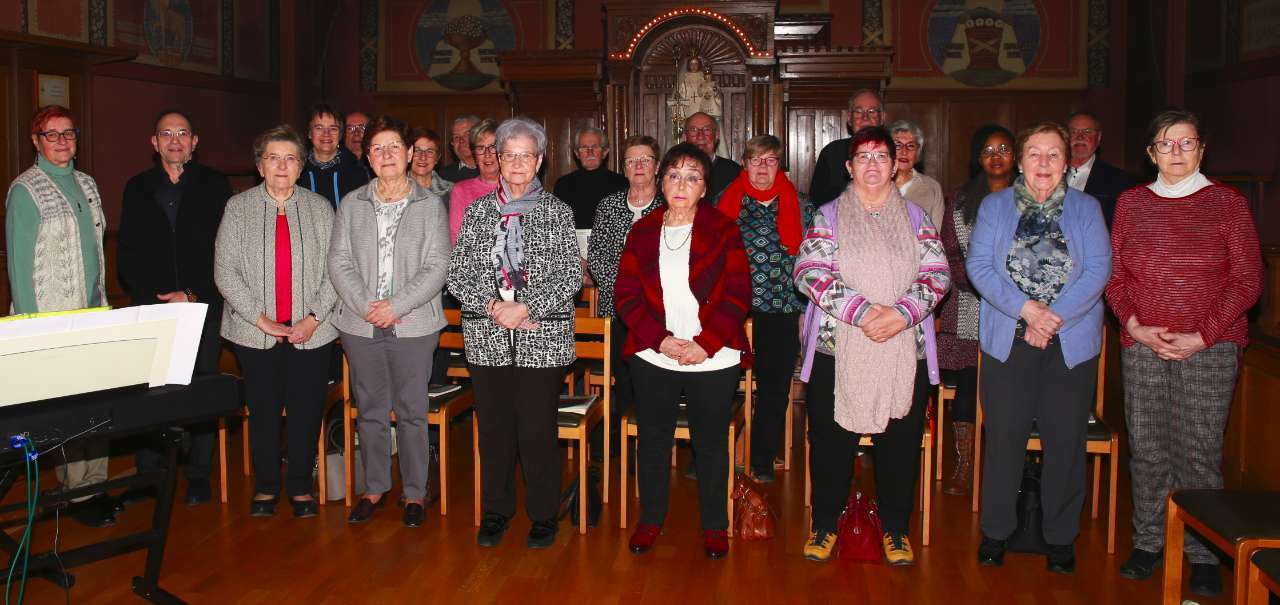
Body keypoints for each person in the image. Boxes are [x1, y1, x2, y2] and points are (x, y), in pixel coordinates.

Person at [1107, 110, 1262, 598]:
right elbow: (1114, 276)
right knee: (1149, 449)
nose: (1176, 153)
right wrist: (1135, 325)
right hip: (1144, 344)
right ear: (1150, 153)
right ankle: (1150, 542)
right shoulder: (1131, 204)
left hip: (1210, 350)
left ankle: (1202, 550)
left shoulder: (1227, 204)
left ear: (1201, 149)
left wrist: (1204, 334)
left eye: (1186, 143)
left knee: (1197, 451)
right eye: (1166, 145)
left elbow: (1248, 280)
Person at [794, 126, 950, 565]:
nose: (873, 165)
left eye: (882, 156)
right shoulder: (828, 215)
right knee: (831, 441)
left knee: (900, 442)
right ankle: (825, 525)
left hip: (905, 346)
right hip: (836, 348)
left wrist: (900, 313)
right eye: (863, 157)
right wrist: (862, 313)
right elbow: (808, 270)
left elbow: (938, 274)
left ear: (896, 163)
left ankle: (896, 529)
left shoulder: (917, 217)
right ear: (849, 166)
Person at [966, 121, 1111, 574]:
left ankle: (1060, 537)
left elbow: (1097, 271)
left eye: (1053, 154)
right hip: (1009, 338)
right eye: (1034, 153)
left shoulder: (1087, 208)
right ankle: (996, 531)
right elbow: (980, 268)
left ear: (1067, 162)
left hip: (1069, 342)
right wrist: (1029, 311)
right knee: (1004, 438)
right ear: (1020, 160)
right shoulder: (995, 205)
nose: (1043, 162)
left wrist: (1051, 319)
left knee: (1064, 441)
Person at [446, 117, 580, 549]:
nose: (517, 162)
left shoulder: (557, 211)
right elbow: (458, 274)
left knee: (536, 430)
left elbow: (569, 277)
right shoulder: (478, 211)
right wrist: (492, 306)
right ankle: (496, 511)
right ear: (496, 160)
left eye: (526, 155)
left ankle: (543, 515)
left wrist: (525, 306)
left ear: (540, 160)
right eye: (509, 154)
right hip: (487, 335)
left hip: (543, 338)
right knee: (495, 429)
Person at [616, 142, 751, 561]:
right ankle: (651, 518)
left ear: (704, 188)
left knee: (710, 443)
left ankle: (715, 525)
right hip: (655, 352)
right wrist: (660, 339)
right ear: (661, 181)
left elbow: (738, 295)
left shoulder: (724, 229)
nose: (681, 184)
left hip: (713, 355)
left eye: (692, 177)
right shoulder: (642, 231)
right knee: (653, 440)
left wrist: (704, 344)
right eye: (674, 175)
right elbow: (626, 295)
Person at [329, 115, 451, 528]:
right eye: (377, 148)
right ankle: (375, 487)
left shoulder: (430, 205)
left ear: (410, 154)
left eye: (394, 147)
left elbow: (438, 266)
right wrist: (367, 304)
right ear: (367, 156)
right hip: (360, 323)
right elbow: (339, 262)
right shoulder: (351, 204)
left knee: (413, 410)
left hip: (414, 323)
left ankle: (415, 492)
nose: (386, 155)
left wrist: (396, 305)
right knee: (370, 410)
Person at [215, 124, 339, 519]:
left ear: (301, 167)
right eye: (273, 158)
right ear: (259, 165)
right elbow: (225, 271)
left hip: (312, 331)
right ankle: (267, 486)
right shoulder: (238, 208)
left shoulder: (320, 209)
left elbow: (336, 271)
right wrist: (260, 319)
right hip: (255, 332)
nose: (282, 166)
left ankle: (300, 486)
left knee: (306, 408)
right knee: (264, 410)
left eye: (290, 158)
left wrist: (314, 318)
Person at [117, 109, 232, 507]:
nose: (175, 140)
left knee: (199, 389)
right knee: (152, 393)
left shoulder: (216, 186)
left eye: (183, 133)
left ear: (194, 141)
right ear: (154, 142)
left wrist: (194, 293)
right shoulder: (137, 188)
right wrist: (155, 297)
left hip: (203, 304)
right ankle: (149, 475)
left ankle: (198, 475)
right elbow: (127, 255)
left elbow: (226, 250)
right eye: (167, 134)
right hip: (154, 308)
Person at [5, 105, 114, 527]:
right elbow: (18, 265)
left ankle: (98, 486)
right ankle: (76, 495)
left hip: (94, 311)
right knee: (67, 410)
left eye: (69, 133)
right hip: (50, 320)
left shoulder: (86, 182)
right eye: (52, 135)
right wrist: (33, 328)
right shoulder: (25, 190)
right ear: (36, 141)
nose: (63, 141)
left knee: (99, 405)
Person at [714, 134, 811, 483]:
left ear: (780, 165)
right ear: (744, 163)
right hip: (730, 306)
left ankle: (762, 457)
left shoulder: (801, 205)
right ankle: (713, 454)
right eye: (756, 161)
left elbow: (812, 260)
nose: (762, 168)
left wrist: (806, 309)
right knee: (719, 383)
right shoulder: (724, 201)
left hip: (783, 305)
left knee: (774, 387)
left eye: (770, 161)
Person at [937, 124, 1015, 497]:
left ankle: (1007, 465)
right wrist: (977, 284)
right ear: (977, 158)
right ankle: (965, 463)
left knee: (1010, 386)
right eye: (987, 150)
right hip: (969, 303)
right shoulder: (961, 199)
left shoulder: (1030, 197)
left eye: (1003, 148)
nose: (996, 156)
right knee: (969, 383)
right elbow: (948, 251)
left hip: (1019, 310)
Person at [586, 134, 664, 465]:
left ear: (657, 166)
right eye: (632, 161)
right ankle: (619, 446)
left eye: (645, 160)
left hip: (658, 314)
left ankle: (649, 446)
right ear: (624, 167)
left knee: (651, 381)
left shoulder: (670, 205)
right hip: (616, 309)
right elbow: (598, 256)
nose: (638, 166)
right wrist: (626, 292)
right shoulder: (608, 205)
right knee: (622, 378)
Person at [809, 89, 887, 205]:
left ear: (883, 118)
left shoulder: (895, 152)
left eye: (872, 111)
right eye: (858, 112)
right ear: (849, 118)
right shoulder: (831, 153)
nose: (865, 117)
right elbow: (818, 202)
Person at [1065, 111, 1136, 227]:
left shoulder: (1120, 181)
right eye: (1073, 131)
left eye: (1087, 132)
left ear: (1098, 138)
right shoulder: (1047, 175)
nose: (1080, 137)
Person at [553, 127, 628, 231]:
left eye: (595, 147)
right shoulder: (563, 185)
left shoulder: (621, 184)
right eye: (584, 148)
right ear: (577, 154)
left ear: (605, 152)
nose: (590, 152)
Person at [298, 104, 369, 208]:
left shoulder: (357, 172)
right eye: (319, 127)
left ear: (340, 134)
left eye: (333, 128)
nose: (326, 134)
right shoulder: (297, 171)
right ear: (309, 133)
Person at [447, 118, 500, 244]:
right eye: (481, 148)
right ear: (475, 154)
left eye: (493, 147)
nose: (487, 154)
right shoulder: (461, 190)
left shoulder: (518, 186)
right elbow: (457, 239)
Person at [888, 119, 945, 227]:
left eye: (910, 146)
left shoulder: (932, 188)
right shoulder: (875, 184)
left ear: (918, 153)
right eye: (898, 145)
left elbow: (936, 236)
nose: (904, 152)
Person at [683, 112, 740, 199]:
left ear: (717, 135)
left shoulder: (734, 172)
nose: (700, 136)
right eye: (693, 130)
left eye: (707, 130)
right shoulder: (673, 171)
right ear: (685, 137)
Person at [409, 127, 453, 207]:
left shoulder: (451, 191)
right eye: (417, 150)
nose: (423, 157)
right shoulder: (394, 188)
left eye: (429, 152)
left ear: (437, 158)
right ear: (408, 154)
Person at [439, 115, 481, 183]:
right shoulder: (442, 177)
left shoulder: (494, 172)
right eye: (456, 137)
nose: (461, 140)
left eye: (467, 134)